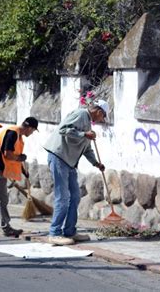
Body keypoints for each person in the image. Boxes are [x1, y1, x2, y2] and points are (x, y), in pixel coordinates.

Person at [43, 100, 108, 246]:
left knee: (75, 196)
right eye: (103, 116)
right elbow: (64, 130)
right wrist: (84, 134)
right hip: (59, 157)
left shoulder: (88, 124)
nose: (101, 119)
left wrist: (96, 163)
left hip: (70, 162)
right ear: (98, 111)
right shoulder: (81, 114)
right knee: (63, 197)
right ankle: (54, 233)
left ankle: (70, 231)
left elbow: (86, 149)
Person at [0, 116, 39, 241]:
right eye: (32, 131)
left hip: (1, 168)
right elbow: (8, 154)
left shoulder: (18, 136)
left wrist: (23, 170)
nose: (31, 134)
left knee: (3, 199)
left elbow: (14, 155)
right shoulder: (12, 133)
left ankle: (6, 227)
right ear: (29, 128)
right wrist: (20, 158)